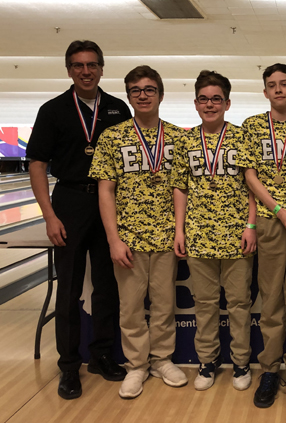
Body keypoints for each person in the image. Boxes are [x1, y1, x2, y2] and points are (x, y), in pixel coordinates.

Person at [27, 40, 130, 400]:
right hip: (69, 200)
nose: (85, 71)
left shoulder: (118, 108)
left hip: (109, 203)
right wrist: (49, 215)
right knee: (69, 290)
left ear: (102, 68)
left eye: (91, 64)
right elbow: (37, 164)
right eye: (78, 65)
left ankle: (102, 355)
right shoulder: (53, 110)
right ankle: (69, 367)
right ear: (69, 70)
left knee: (107, 286)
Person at [89, 65, 188, 399]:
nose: (142, 95)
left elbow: (181, 188)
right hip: (128, 239)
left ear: (160, 94)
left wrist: (179, 230)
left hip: (165, 237)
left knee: (163, 305)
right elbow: (106, 191)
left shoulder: (178, 138)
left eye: (149, 89)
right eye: (135, 90)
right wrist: (113, 240)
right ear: (128, 96)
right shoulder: (113, 137)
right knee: (130, 308)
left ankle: (162, 360)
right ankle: (137, 366)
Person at [171, 70, 257, 392]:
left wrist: (251, 226)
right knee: (205, 304)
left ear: (227, 103)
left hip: (237, 236)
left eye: (216, 99)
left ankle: (241, 363)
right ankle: (207, 362)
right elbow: (181, 187)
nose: (210, 104)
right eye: (204, 99)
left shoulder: (241, 137)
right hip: (198, 236)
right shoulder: (186, 141)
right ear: (195, 103)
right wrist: (180, 231)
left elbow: (252, 186)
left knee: (238, 304)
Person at [236, 63, 286, 409]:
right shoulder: (252, 126)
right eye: (272, 85)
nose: (279, 89)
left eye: (285, 84)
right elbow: (250, 176)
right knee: (270, 300)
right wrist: (276, 210)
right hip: (271, 220)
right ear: (265, 91)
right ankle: (269, 368)